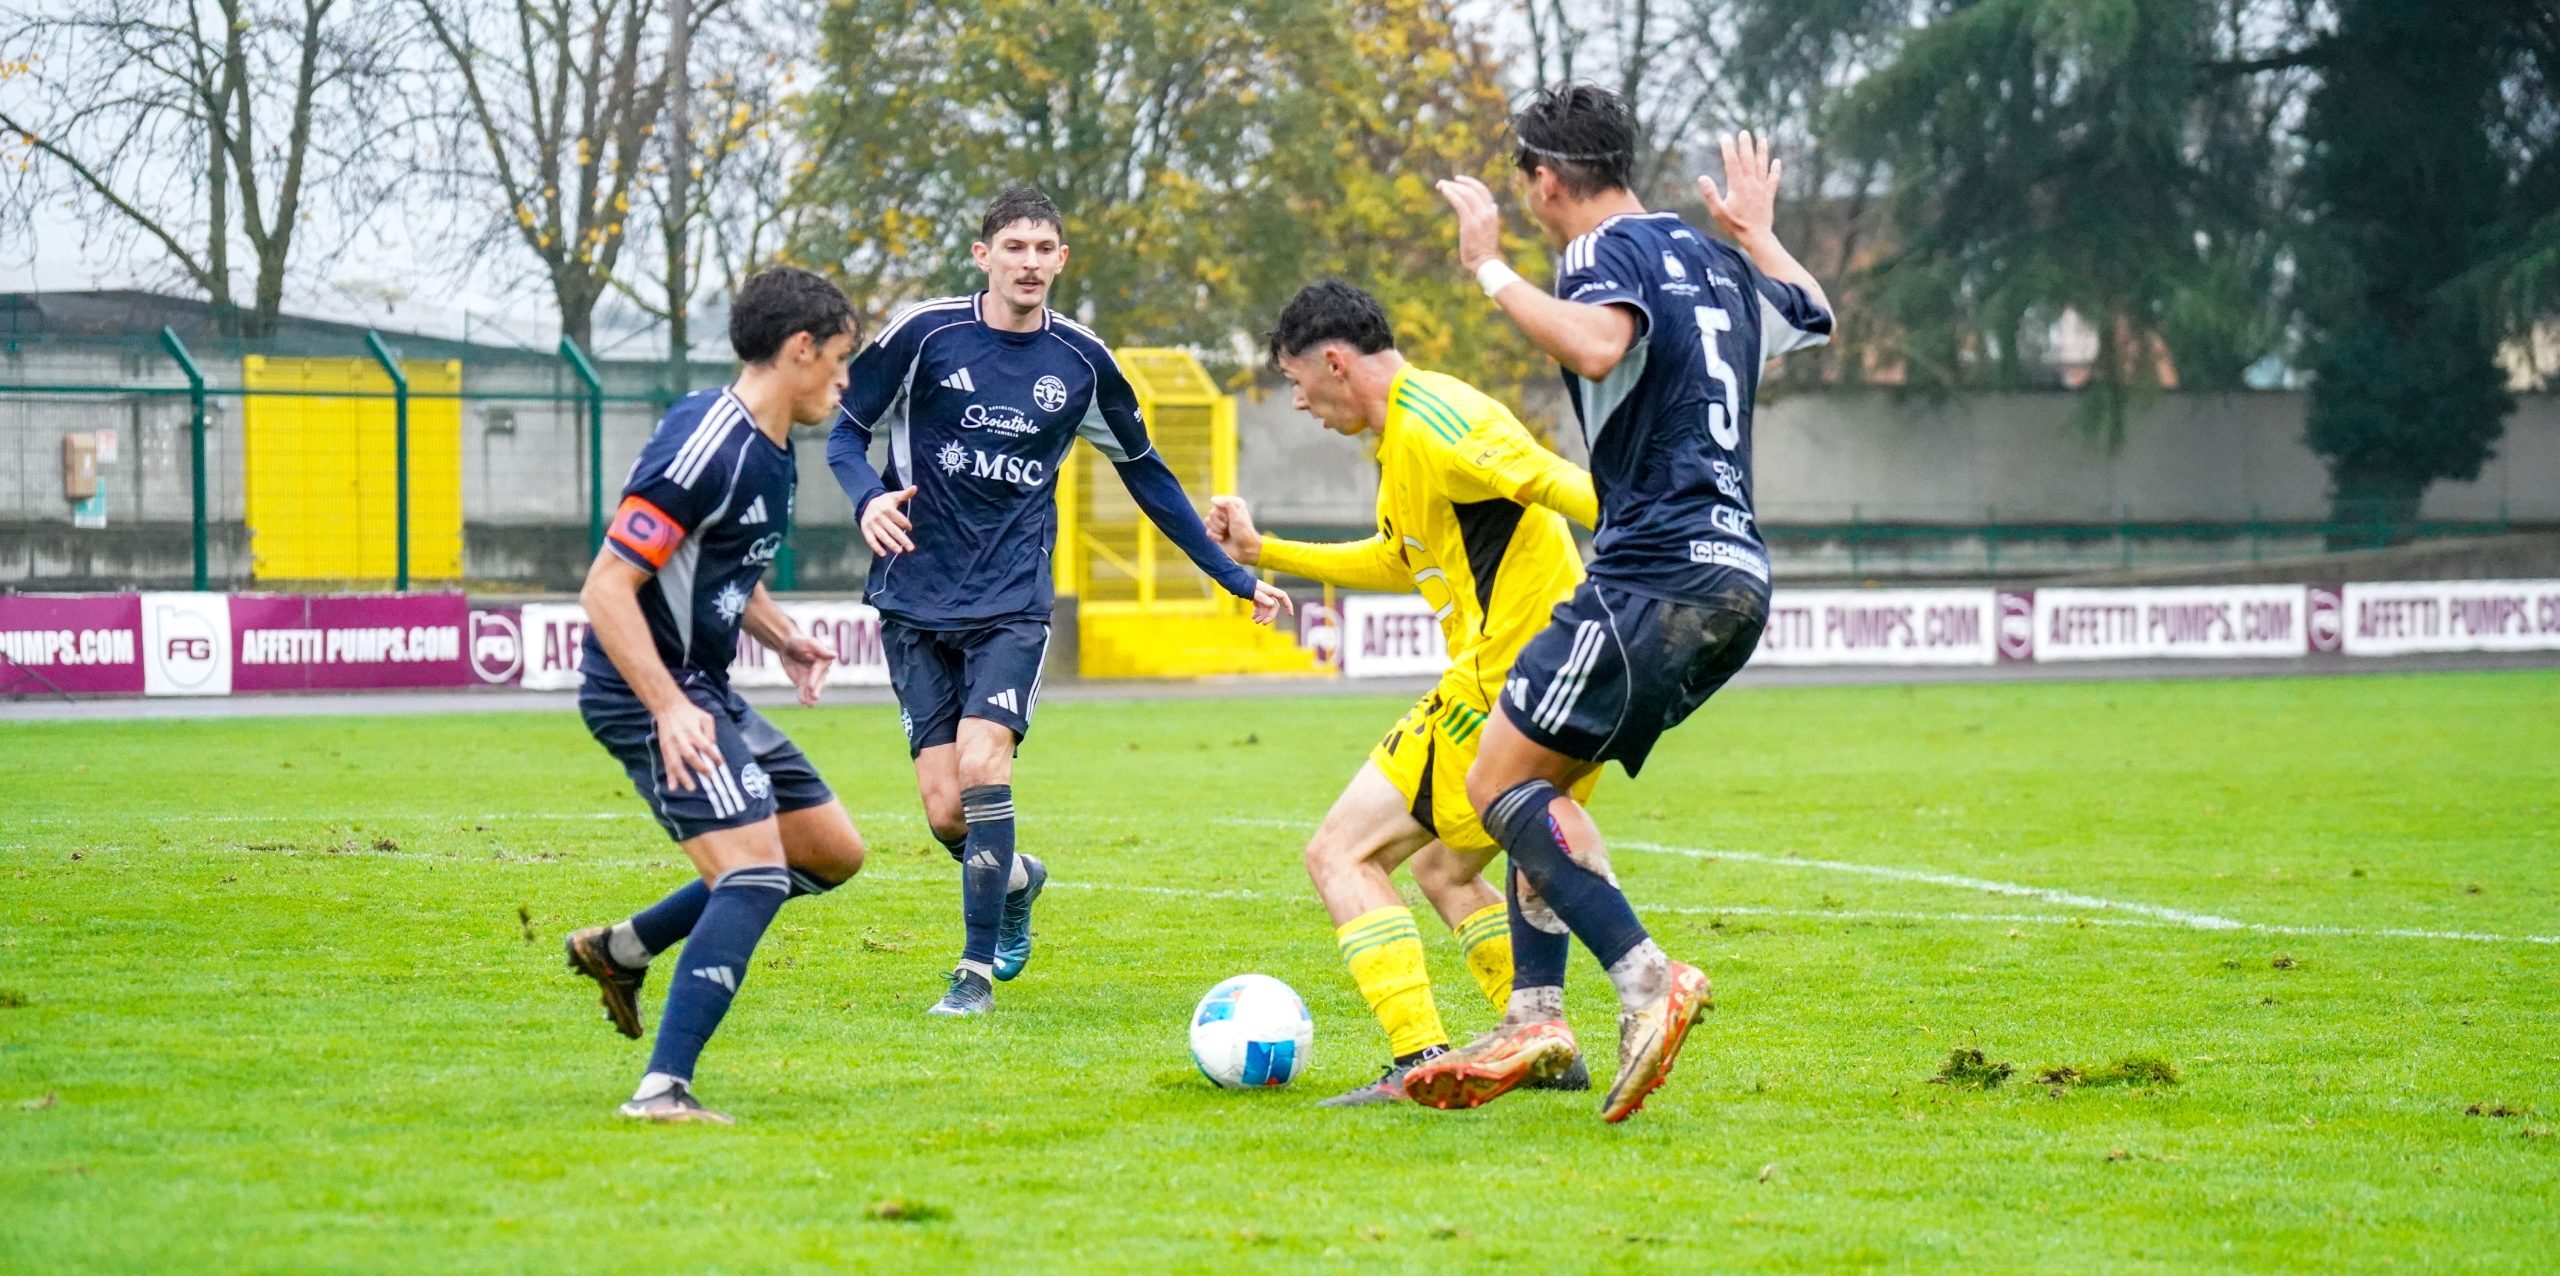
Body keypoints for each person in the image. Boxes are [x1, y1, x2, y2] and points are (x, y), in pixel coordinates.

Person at [1401, 87, 1835, 1122]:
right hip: (1735, 579)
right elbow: (1812, 318)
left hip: (1652, 573)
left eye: (1528, 192)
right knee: (1539, 789)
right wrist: (1761, 235)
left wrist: (1488, 268)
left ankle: (1645, 979)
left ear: (1545, 180)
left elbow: (1597, 345)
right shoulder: (1720, 263)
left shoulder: (1603, 253)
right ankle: (1533, 1016)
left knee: (1498, 780)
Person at [829, 186, 1291, 1017]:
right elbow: (840, 431)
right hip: (913, 595)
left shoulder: (1081, 363)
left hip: (1012, 600)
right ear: (984, 257)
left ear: (1062, 260)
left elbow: (1147, 474)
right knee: (944, 813)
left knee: (981, 768)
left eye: (1045, 249)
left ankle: (971, 975)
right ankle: (1016, 878)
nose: (1030, 263)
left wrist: (1233, 576)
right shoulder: (924, 336)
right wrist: (866, 497)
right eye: (1015, 247)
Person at [1206, 279, 1601, 1106]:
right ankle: (1539, 1045)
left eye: (1294, 381)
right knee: (1446, 871)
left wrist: (1664, 532)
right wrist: (1264, 549)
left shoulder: (1441, 422)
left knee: (1339, 853)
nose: (1298, 401)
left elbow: (1556, 480)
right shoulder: (1406, 443)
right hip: (1554, 686)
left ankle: (1418, 1056)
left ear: (1336, 362)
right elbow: (1396, 556)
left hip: (1502, 688)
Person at [561, 266, 872, 1124]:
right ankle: (662, 1090)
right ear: (799, 349)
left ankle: (622, 949)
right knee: (756, 874)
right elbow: (606, 588)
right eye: (840, 359)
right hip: (646, 693)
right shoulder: (708, 444)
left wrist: (783, 636)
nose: (845, 380)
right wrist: (666, 707)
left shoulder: (772, 451)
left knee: (830, 851)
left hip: (708, 688)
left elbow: (726, 569)